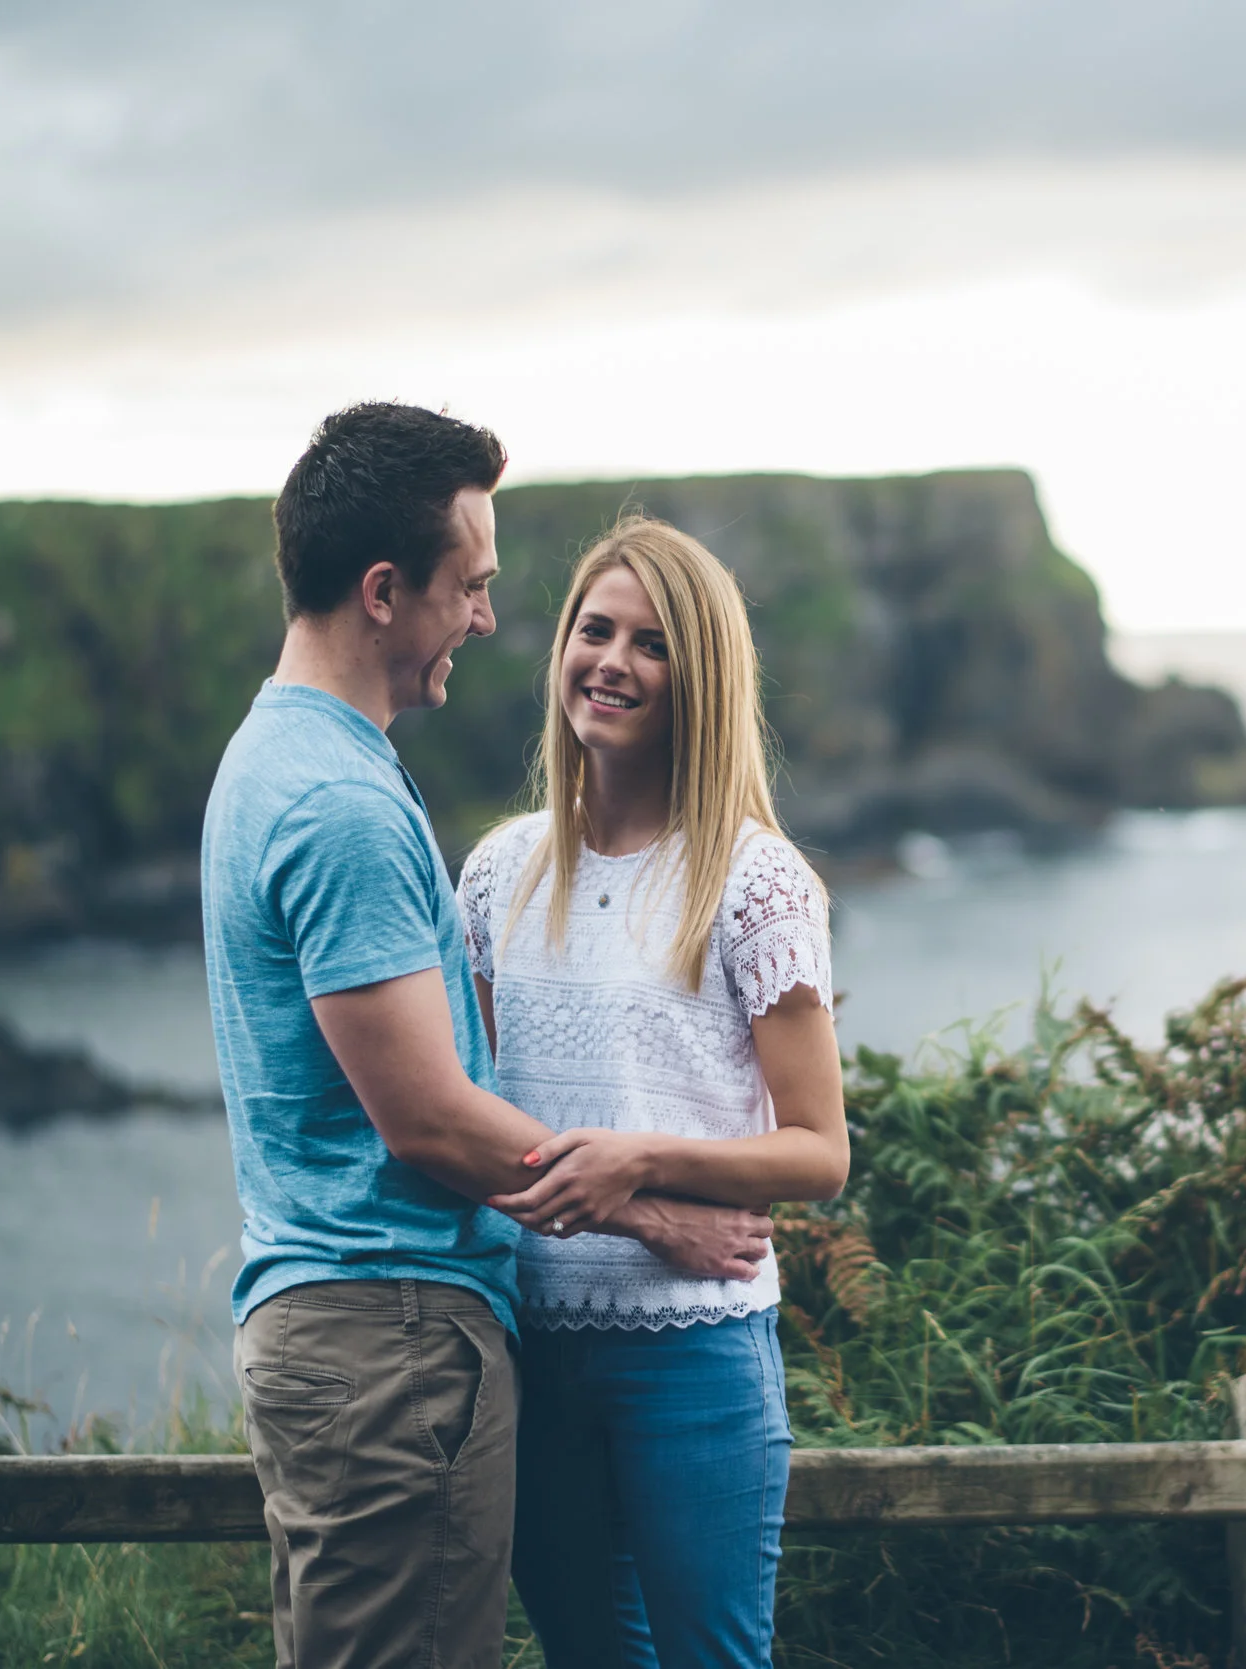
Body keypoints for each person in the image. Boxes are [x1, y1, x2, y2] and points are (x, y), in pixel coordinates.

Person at [202, 406, 773, 1669]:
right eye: (472, 586)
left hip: (339, 1328)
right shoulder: (343, 801)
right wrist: (657, 1213)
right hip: (391, 1340)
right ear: (385, 591)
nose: (487, 620)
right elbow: (433, 1118)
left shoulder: (273, 756)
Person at [458, 515, 849, 1669]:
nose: (612, 661)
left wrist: (643, 1160)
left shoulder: (755, 878)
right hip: (526, 1341)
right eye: (594, 629)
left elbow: (819, 1150)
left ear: (700, 677)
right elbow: (474, 1116)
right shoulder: (496, 871)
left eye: (651, 642)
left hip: (694, 1346)